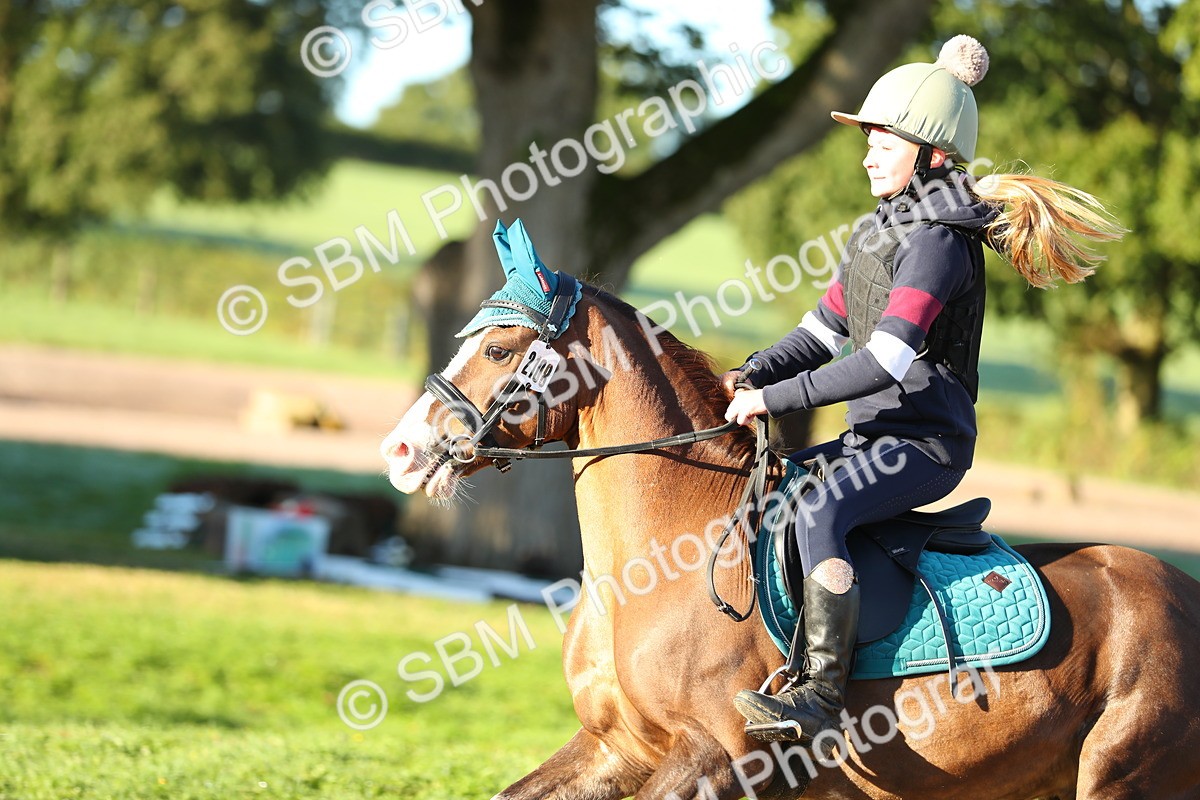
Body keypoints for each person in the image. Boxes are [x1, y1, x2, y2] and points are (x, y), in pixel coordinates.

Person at [721, 35, 1123, 746]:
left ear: (932, 154)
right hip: (871, 438)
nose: (868, 151)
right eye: (869, 137)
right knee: (776, 494)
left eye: (885, 139)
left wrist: (775, 401)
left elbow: (882, 360)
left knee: (819, 517)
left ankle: (818, 693)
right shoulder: (875, 233)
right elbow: (818, 337)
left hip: (924, 445)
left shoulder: (938, 242)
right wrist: (755, 372)